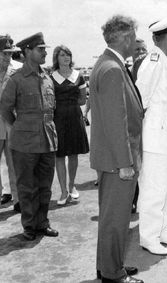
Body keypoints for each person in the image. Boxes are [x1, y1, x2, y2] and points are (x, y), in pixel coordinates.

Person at [89, 15, 143, 283]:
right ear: (123, 38)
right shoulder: (112, 69)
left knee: (111, 217)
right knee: (116, 220)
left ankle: (107, 266)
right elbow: (115, 121)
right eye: (133, 36)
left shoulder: (109, 64)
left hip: (111, 158)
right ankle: (113, 274)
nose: (135, 41)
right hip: (117, 159)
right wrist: (125, 162)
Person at [0, 32, 58, 241]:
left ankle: (43, 223)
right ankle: (30, 226)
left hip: (48, 140)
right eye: (40, 49)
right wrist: (19, 127)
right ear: (27, 52)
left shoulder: (47, 78)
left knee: (45, 186)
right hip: (24, 143)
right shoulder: (16, 80)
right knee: (26, 186)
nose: (44, 53)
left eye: (44, 49)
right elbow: (5, 109)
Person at [136, 15, 167, 256]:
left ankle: (162, 230)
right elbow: (140, 101)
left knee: (166, 189)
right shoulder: (154, 61)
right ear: (166, 36)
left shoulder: (165, 62)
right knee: (153, 189)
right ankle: (148, 236)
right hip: (155, 138)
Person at [50, 45, 89, 205]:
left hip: (74, 117)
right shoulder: (51, 77)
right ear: (56, 58)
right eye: (62, 55)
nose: (66, 58)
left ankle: (72, 186)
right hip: (57, 118)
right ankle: (63, 191)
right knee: (59, 155)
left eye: (68, 55)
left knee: (73, 153)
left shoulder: (78, 76)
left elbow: (82, 99)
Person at [0, 35, 19, 212]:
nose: (7, 57)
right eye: (4, 53)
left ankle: (17, 199)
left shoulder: (16, 70)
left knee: (14, 162)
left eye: (9, 53)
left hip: (12, 123)